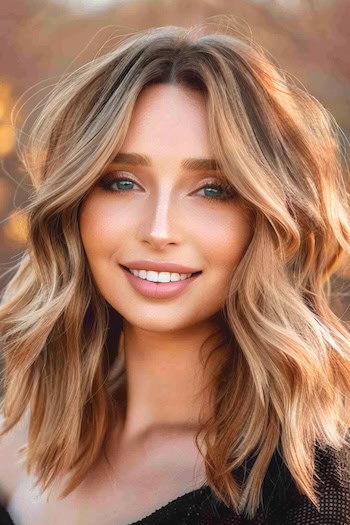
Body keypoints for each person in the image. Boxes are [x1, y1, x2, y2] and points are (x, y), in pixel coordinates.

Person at [0, 19, 350, 525]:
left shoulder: (316, 490)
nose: (159, 229)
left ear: (271, 220)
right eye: (121, 182)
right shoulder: (15, 437)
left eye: (212, 189)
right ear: (74, 204)